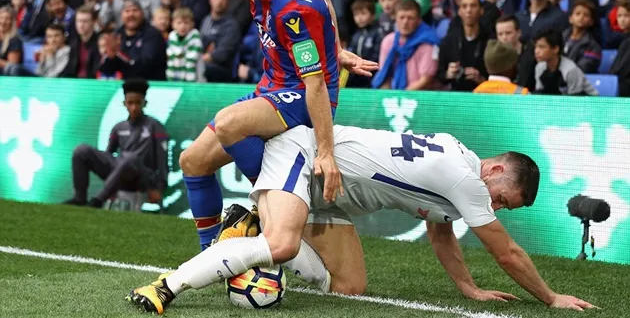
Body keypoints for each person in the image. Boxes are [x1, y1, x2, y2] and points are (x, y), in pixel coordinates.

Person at [128, 124, 595, 314]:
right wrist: (551, 297)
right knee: (284, 246)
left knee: (349, 287)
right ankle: (168, 286)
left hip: (329, 196)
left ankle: (251, 228)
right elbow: (508, 252)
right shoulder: (468, 180)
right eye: (503, 198)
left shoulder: (460, 162)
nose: (497, 207)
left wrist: (468, 288)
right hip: (305, 155)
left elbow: (440, 231)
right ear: (494, 170)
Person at [176, 0, 378, 251]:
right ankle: (210, 253)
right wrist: (335, 49)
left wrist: (325, 153)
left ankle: (278, 200)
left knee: (229, 124)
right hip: (273, 88)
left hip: (302, 95)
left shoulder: (294, 8)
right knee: (192, 161)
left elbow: (315, 85)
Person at [64, 79, 168, 208]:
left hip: (142, 176)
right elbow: (108, 156)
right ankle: (79, 198)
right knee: (81, 150)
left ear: (145, 103)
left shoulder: (155, 126)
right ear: (124, 103)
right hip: (121, 172)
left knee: (130, 158)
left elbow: (162, 160)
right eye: (130, 103)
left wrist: (159, 187)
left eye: (138, 103)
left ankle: (98, 201)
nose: (134, 107)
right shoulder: (118, 127)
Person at [167, 8, 203, 82]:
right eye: (179, 23)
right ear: (173, 24)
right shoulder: (172, 36)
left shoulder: (195, 38)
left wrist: (188, 85)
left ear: (192, 24)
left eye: (186, 23)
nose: (182, 26)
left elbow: (191, 62)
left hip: (194, 81)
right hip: (176, 79)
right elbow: (170, 60)